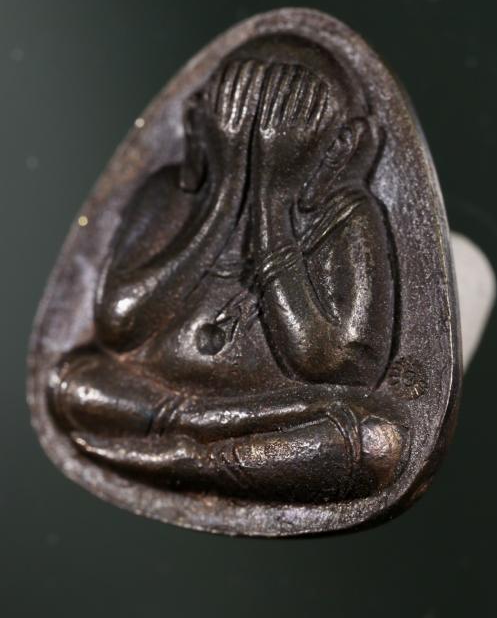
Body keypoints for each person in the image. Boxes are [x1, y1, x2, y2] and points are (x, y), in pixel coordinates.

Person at [48, 45, 407, 502]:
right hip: (156, 395)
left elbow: (332, 363)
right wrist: (224, 197)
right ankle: (204, 449)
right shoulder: (170, 192)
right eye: (240, 130)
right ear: (197, 126)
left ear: (344, 146)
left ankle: (192, 457)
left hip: (271, 411)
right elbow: (119, 325)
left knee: (372, 441)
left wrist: (271, 203)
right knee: (70, 382)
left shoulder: (347, 214)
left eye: (278, 132)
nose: (254, 151)